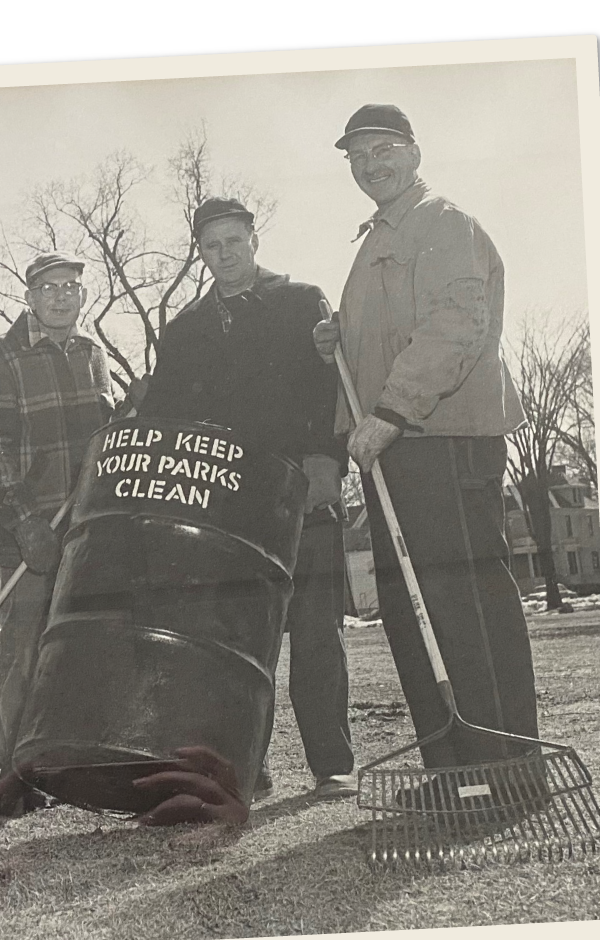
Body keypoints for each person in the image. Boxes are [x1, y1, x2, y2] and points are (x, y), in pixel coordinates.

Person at [317, 104, 539, 801]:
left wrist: (389, 411)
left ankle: (507, 775)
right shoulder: (380, 235)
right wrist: (340, 338)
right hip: (397, 447)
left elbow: (454, 326)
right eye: (358, 154)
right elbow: (394, 332)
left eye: (384, 149)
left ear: (413, 153)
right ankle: (454, 771)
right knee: (416, 612)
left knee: (463, 606)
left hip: (442, 440)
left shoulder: (443, 223)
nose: (371, 163)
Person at [138, 197, 354, 804]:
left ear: (254, 240)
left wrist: (325, 464)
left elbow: (329, 389)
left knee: (315, 631)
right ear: (199, 254)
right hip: (225, 509)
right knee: (233, 641)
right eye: (211, 246)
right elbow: (170, 416)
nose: (224, 255)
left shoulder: (300, 301)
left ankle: (332, 763)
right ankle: (241, 766)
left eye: (234, 241)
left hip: (302, 491)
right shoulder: (182, 330)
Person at [0, 252, 117, 816]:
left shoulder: (93, 353)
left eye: (71, 287)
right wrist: (23, 519)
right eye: (48, 288)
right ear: (29, 296)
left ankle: (71, 767)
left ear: (82, 294)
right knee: (24, 651)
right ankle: (14, 773)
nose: (60, 297)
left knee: (80, 646)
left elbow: (99, 441)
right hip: (28, 528)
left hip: (87, 528)